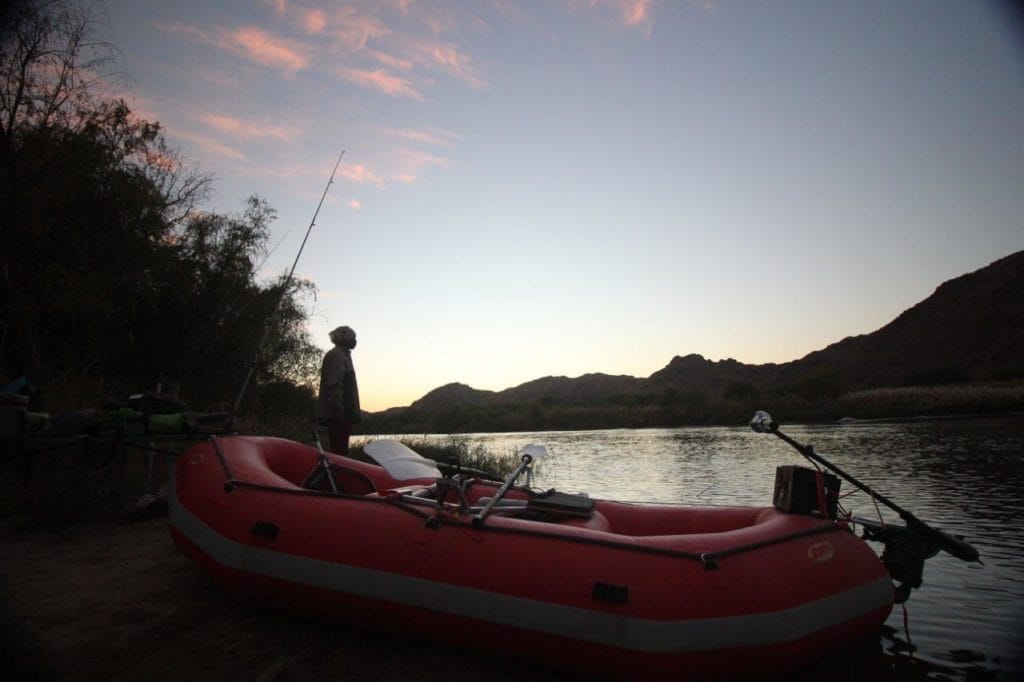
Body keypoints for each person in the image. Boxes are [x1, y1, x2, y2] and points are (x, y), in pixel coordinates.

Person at [316, 325, 361, 454]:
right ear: (344, 339)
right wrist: (340, 413)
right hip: (339, 415)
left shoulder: (344, 355)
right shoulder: (337, 356)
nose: (355, 341)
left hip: (344, 414)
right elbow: (334, 386)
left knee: (341, 451)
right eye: (352, 338)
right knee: (339, 452)